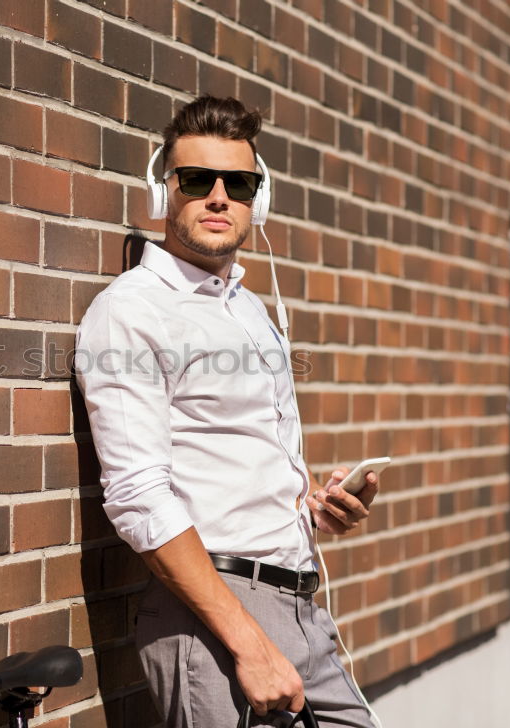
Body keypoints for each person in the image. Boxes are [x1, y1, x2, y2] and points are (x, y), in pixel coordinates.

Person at [74, 96, 379, 728]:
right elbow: (137, 496)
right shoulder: (132, 310)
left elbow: (234, 459)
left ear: (256, 201)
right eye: (197, 180)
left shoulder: (249, 309)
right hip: (216, 620)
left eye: (238, 183)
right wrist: (248, 644)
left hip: (298, 608)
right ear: (166, 191)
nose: (219, 197)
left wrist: (314, 509)